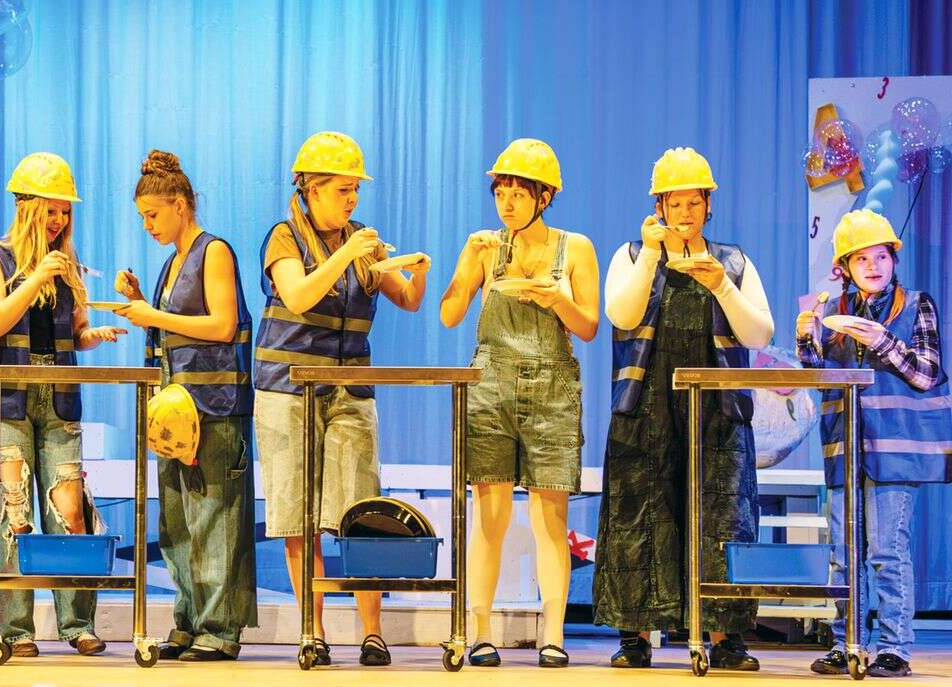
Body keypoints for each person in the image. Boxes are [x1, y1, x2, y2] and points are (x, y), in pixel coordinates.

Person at [593, 147, 773, 671]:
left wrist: (721, 285)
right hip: (644, 405)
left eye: (694, 202)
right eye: (675, 203)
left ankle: (726, 637)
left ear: (708, 205)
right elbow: (620, 314)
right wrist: (653, 254)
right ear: (659, 206)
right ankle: (635, 636)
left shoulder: (733, 261)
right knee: (640, 515)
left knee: (722, 517)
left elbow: (760, 334)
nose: (685, 213)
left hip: (718, 409)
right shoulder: (632, 255)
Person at [253, 131, 427, 667]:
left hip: (350, 389)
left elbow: (408, 300)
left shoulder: (360, 240)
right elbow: (298, 294)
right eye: (342, 190)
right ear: (311, 189)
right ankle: (313, 631)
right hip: (289, 389)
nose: (352, 199)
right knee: (299, 516)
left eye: (355, 190)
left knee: (361, 512)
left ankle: (373, 632)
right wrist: (347, 254)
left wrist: (415, 272)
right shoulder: (284, 237)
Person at [438, 138, 600, 668]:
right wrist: (467, 262)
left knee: (550, 516)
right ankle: (480, 632)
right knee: (490, 514)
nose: (506, 203)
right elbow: (449, 314)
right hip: (490, 387)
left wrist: (558, 299)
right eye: (500, 192)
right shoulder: (486, 247)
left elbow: (589, 326)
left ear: (544, 197)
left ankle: (553, 634)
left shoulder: (575, 248)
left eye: (518, 193)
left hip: (553, 391)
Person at [0, 152, 127, 657]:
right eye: (50, 210)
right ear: (25, 208)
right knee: (14, 512)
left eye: (64, 212)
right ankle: (16, 630)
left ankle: (77, 622)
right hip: (6, 398)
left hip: (57, 395)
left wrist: (93, 335)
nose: (58, 220)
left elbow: (75, 332)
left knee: (69, 510)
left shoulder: (67, 263)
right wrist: (36, 276)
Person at [111, 150, 258, 661]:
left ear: (180, 205)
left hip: (214, 408)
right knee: (177, 521)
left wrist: (152, 314)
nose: (148, 225)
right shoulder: (172, 261)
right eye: (142, 217)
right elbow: (176, 328)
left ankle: (219, 628)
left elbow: (222, 325)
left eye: (152, 214)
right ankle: (189, 619)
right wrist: (144, 304)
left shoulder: (212, 251)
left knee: (215, 516)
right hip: (176, 409)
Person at [800, 209, 949, 679]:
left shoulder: (917, 305)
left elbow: (928, 373)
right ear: (844, 266)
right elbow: (816, 376)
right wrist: (807, 340)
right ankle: (846, 642)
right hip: (843, 446)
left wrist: (884, 341)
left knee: (887, 551)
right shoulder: (833, 311)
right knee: (843, 555)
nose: (873, 266)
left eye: (881, 256)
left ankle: (894, 647)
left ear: (893, 260)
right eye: (861, 258)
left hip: (894, 449)